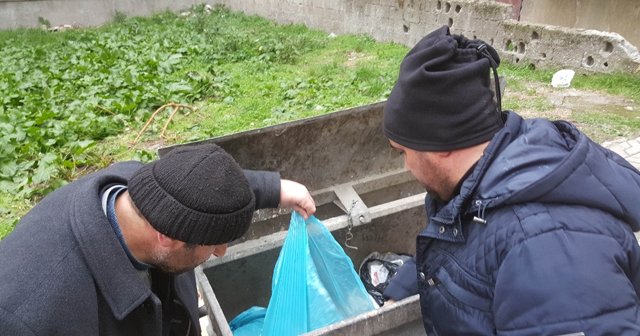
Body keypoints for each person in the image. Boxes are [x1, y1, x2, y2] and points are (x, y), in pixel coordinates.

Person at [381, 25, 640, 334]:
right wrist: (409, 286)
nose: (407, 167)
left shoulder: (547, 251)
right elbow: (464, 248)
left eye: (403, 153)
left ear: (440, 148)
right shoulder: (476, 183)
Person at [0, 143, 316, 335]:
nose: (221, 252)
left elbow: (197, 184)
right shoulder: (28, 316)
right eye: (214, 243)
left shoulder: (139, 186)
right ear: (166, 237)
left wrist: (273, 189)